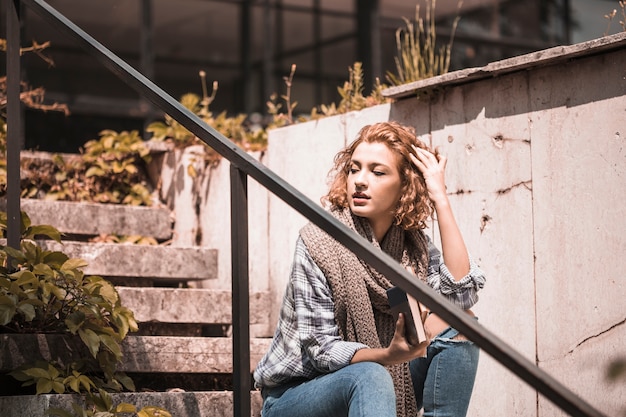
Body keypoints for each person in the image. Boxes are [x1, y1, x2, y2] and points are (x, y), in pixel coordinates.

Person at [253, 121, 486, 417]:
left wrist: (440, 198)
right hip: (297, 396)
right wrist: (389, 356)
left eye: (377, 172)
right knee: (371, 374)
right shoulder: (318, 243)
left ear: (405, 186)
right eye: (354, 169)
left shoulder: (411, 248)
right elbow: (321, 350)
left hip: (382, 383)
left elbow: (461, 297)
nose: (360, 181)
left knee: (460, 325)